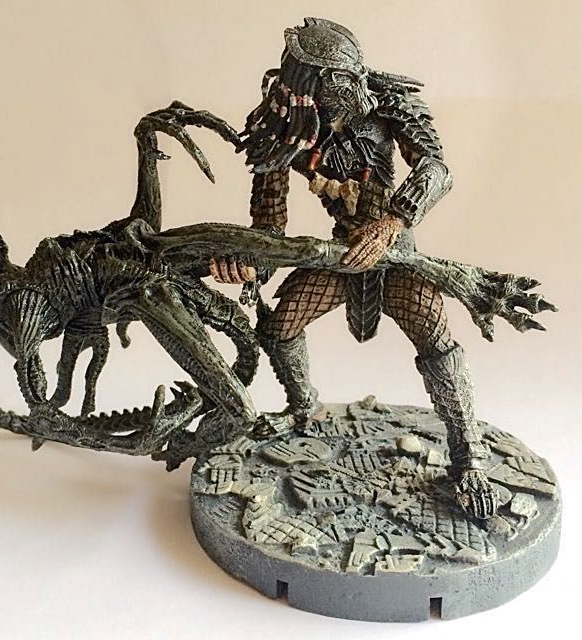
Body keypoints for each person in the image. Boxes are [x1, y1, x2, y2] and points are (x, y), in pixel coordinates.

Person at [210, 17, 497, 519]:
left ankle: (468, 456)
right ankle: (304, 408)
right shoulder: (284, 126)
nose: (354, 87)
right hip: (340, 255)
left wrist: (391, 223)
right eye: (341, 79)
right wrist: (250, 263)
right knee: (281, 324)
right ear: (313, 83)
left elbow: (436, 169)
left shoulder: (389, 104)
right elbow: (270, 225)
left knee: (435, 336)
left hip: (397, 254)